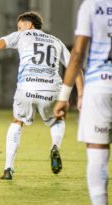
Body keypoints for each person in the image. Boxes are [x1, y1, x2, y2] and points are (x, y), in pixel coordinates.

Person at [0, 11, 83, 180]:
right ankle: (55, 146)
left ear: (29, 25)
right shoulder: (56, 41)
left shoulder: (22, 35)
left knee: (17, 121)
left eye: (20, 26)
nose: (19, 29)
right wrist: (81, 94)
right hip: (52, 90)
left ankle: (8, 168)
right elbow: (75, 67)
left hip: (26, 88)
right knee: (58, 119)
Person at [54, 0, 111, 204]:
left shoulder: (91, 5)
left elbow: (77, 53)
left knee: (98, 156)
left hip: (100, 86)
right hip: (99, 88)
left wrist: (64, 96)